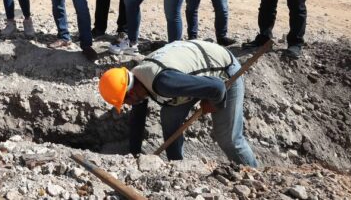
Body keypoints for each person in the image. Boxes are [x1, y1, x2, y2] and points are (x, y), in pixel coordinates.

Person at [98, 40, 258, 166]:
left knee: (228, 138)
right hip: (191, 76)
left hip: (223, 71)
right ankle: (177, 167)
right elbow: (137, 122)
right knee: (169, 117)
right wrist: (134, 157)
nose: (127, 104)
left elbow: (217, 88)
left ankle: (255, 176)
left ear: (131, 92)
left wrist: (214, 105)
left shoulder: (164, 83)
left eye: (125, 101)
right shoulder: (137, 82)